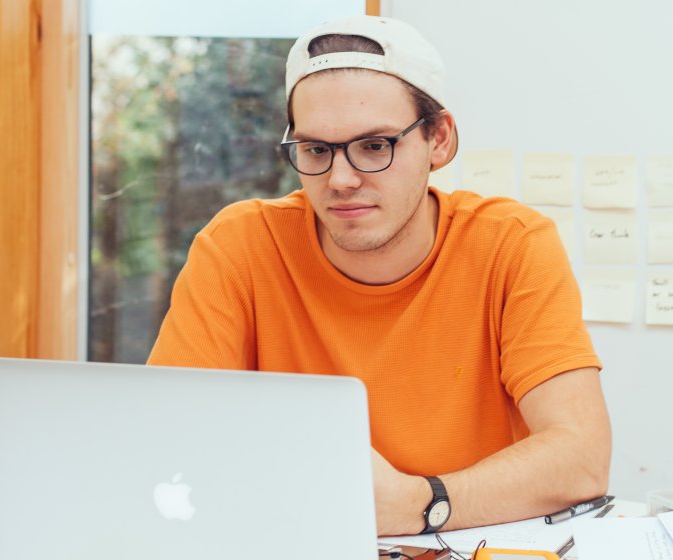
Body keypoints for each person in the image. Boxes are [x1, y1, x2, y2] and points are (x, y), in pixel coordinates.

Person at [148, 15, 611, 536]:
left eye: (375, 146)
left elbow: (582, 456)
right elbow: (169, 441)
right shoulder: (239, 246)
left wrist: (422, 503)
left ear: (438, 140)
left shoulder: (511, 244)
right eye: (316, 150)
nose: (341, 180)